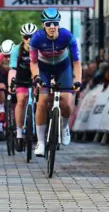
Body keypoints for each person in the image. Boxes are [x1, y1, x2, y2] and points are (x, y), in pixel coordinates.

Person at [30, 8, 82, 156]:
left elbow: (77, 62)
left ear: (58, 24)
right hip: (44, 68)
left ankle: (64, 127)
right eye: (48, 24)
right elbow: (33, 63)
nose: (52, 26)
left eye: (55, 23)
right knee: (43, 100)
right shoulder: (36, 38)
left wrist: (78, 80)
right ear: (43, 25)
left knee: (66, 102)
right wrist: (36, 77)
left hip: (63, 67)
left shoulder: (67, 36)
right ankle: (40, 142)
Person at [8, 23, 37, 151]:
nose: (29, 39)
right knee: (22, 99)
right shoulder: (16, 49)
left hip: (36, 76)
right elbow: (13, 69)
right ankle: (19, 132)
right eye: (26, 37)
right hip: (21, 77)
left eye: (32, 36)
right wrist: (11, 82)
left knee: (44, 99)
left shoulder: (40, 48)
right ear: (22, 38)